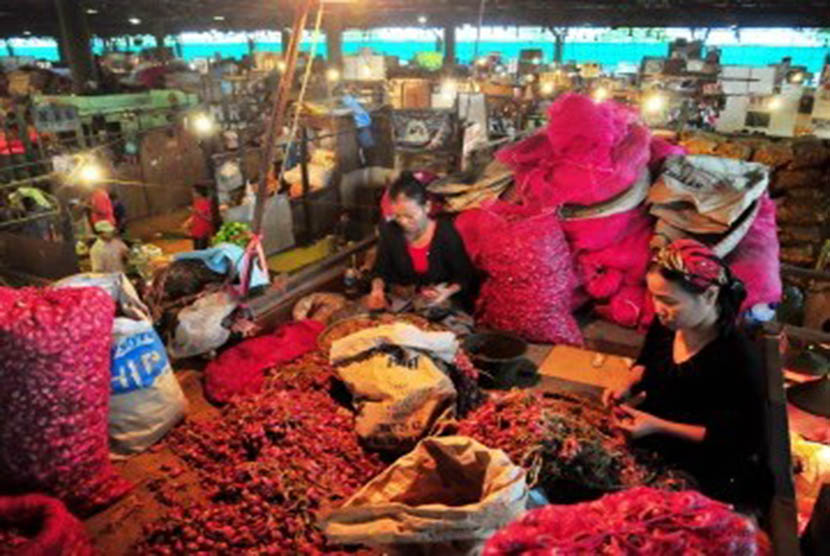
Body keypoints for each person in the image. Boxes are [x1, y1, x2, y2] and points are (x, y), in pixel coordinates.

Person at [604, 239, 773, 514]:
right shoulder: (670, 323)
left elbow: (739, 441)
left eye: (668, 300)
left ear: (709, 296)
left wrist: (658, 426)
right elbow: (646, 360)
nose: (657, 308)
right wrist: (627, 383)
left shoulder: (738, 360)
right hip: (652, 438)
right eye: (654, 297)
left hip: (701, 463)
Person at [369, 172, 478, 312]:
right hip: (404, 305)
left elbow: (464, 275)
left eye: (410, 216)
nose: (403, 222)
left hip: (442, 305)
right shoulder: (390, 230)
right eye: (397, 216)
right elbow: (380, 270)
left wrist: (446, 292)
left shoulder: (445, 233)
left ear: (426, 207)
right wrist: (377, 290)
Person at [185, 184, 215, 251]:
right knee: (196, 250)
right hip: (196, 231)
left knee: (202, 250)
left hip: (203, 231)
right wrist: (188, 222)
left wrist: (198, 213)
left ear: (199, 193)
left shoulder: (207, 203)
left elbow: (210, 218)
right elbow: (195, 215)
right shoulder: (196, 202)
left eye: (194, 192)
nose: (193, 194)